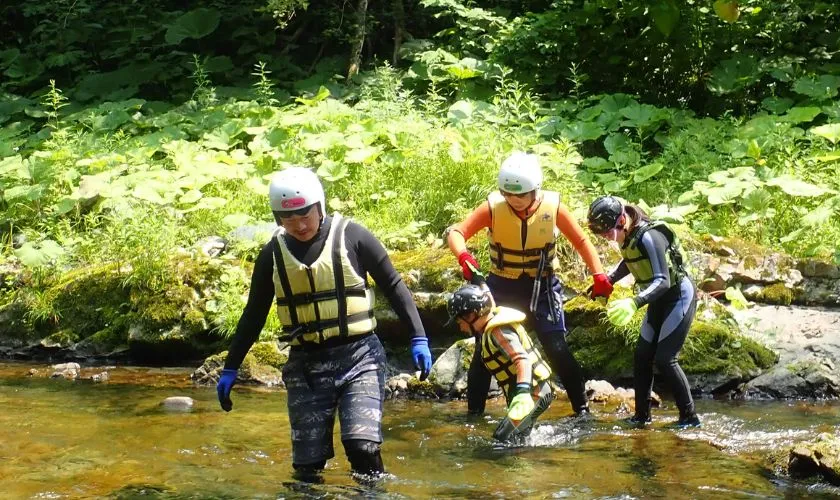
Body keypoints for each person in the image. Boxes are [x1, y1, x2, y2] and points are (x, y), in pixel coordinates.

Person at [215, 167, 434, 482]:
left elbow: (394, 286)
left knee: (361, 446)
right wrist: (231, 367)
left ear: (320, 206)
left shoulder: (353, 236)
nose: (299, 226)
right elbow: (253, 314)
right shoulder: (271, 255)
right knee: (307, 468)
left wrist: (418, 338)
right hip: (306, 366)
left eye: (306, 216)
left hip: (359, 358)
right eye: (289, 220)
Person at [445, 152, 613, 417]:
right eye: (509, 195)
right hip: (502, 285)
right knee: (483, 351)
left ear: (535, 190)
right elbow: (456, 233)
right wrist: (464, 257)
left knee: (557, 348)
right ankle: (474, 416)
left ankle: (582, 411)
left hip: (543, 286)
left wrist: (599, 275)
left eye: (521, 196)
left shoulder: (553, 207)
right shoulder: (493, 207)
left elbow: (582, 241)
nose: (515, 201)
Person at [586, 195, 701, 429]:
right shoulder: (627, 236)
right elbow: (630, 261)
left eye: (608, 232)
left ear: (621, 220)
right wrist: (608, 280)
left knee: (665, 359)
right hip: (657, 300)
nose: (606, 237)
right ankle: (641, 417)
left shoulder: (649, 236)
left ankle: (690, 418)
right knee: (641, 357)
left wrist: (634, 302)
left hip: (678, 296)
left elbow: (663, 280)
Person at [446, 283, 556, 443]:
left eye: (459, 320)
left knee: (503, 438)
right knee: (518, 439)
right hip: (531, 394)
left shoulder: (498, 331)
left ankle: (523, 466)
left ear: (471, 315)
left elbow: (522, 359)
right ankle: (528, 461)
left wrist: (523, 393)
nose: (460, 326)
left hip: (534, 393)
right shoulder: (488, 331)